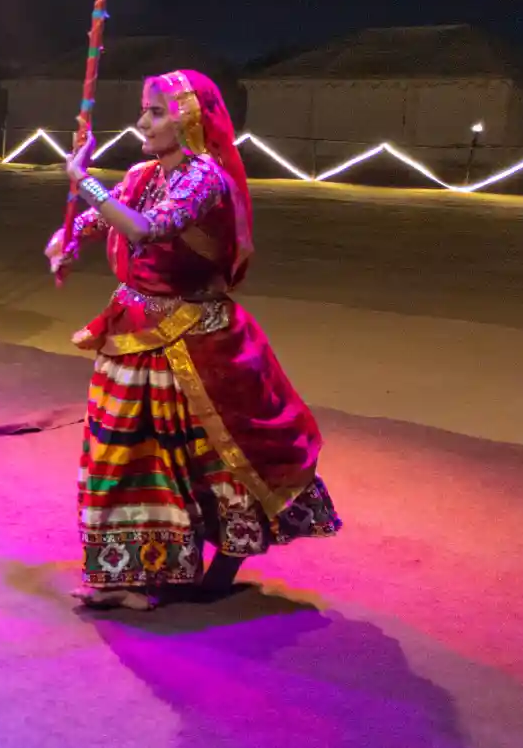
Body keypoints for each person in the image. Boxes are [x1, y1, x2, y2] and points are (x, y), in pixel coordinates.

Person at [48, 69, 341, 612]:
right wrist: (65, 240)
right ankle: (130, 572)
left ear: (189, 120)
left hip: (195, 347)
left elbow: (146, 229)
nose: (143, 122)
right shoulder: (142, 174)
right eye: (145, 110)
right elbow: (100, 219)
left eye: (156, 112)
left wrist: (81, 177)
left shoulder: (205, 179)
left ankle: (224, 562)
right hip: (131, 338)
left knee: (211, 459)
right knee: (124, 457)